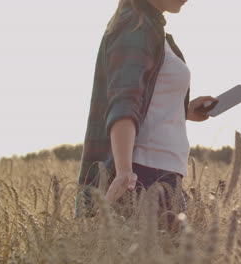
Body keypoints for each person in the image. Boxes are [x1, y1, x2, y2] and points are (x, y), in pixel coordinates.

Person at [75, 0, 218, 217]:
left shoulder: (153, 31)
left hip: (162, 173)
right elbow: (124, 101)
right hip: (146, 175)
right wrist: (123, 172)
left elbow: (144, 101)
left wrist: (184, 110)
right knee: (176, 249)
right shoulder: (136, 28)